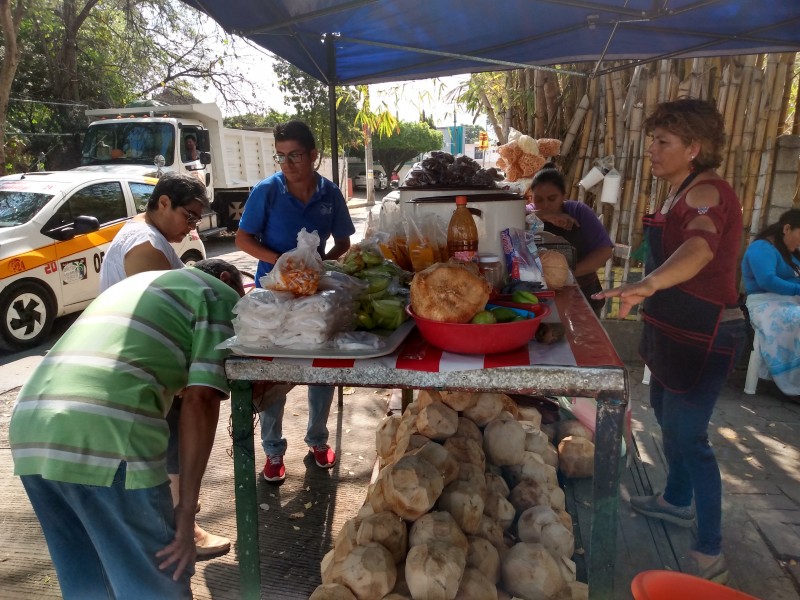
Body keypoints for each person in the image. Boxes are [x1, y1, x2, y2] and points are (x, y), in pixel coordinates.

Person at [9, 259, 245, 599]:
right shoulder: (218, 294)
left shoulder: (140, 285)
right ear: (226, 279)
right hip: (107, 434)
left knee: (90, 585)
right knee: (155, 585)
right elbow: (201, 401)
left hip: (31, 428)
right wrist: (185, 511)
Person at [592, 98, 746, 584]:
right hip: (672, 327)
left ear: (694, 148)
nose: (651, 150)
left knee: (689, 436)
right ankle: (677, 501)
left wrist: (649, 284)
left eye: (663, 142)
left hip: (707, 331)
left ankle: (710, 550)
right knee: (664, 413)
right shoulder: (677, 193)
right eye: (652, 139)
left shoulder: (707, 194)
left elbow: (699, 247)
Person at [99, 172, 231, 558]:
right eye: (189, 217)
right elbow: (169, 313)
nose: (192, 227)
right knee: (176, 438)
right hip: (135, 365)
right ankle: (181, 527)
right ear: (162, 203)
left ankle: (178, 522)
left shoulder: (143, 234)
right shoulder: (145, 246)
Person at [235, 120, 355, 483]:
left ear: (313, 156)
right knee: (274, 374)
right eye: (281, 156)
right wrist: (283, 264)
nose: (287, 164)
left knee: (322, 369)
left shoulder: (329, 194)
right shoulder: (267, 191)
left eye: (296, 156)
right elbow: (242, 239)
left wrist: (321, 265)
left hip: (314, 295)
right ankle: (273, 451)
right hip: (273, 295)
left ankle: (317, 440)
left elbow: (344, 241)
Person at [528, 164, 614, 314]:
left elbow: (605, 251)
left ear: (563, 196)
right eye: (539, 200)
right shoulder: (527, 215)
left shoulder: (578, 212)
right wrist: (544, 216)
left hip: (583, 293)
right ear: (531, 197)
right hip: (539, 298)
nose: (545, 205)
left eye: (552, 199)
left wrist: (566, 275)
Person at [741, 208, 800, 396]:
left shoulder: (792, 252)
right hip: (765, 304)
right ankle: (792, 384)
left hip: (790, 301)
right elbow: (767, 281)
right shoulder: (761, 248)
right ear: (787, 229)